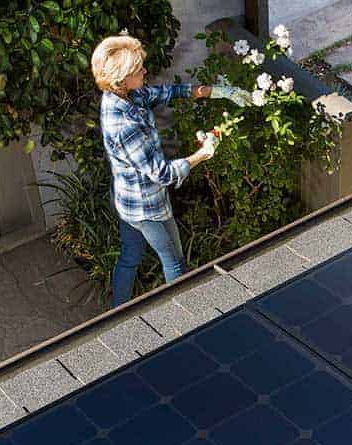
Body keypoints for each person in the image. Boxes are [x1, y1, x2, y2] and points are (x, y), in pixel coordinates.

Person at [91, 34, 251, 307]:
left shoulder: (126, 95)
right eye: (138, 69)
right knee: (175, 262)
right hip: (146, 206)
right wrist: (203, 153)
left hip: (127, 199)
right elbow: (162, 174)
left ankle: (115, 314)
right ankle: (186, 317)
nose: (144, 71)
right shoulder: (123, 125)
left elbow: (170, 92)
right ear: (121, 78)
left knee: (130, 256)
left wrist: (219, 91)